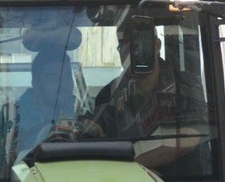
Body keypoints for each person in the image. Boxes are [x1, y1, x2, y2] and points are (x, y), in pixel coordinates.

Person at [87, 20, 208, 171]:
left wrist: (129, 166)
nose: (133, 53)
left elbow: (189, 137)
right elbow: (95, 126)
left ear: (156, 46)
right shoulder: (111, 93)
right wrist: (91, 128)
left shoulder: (184, 85)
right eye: (124, 47)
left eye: (138, 46)